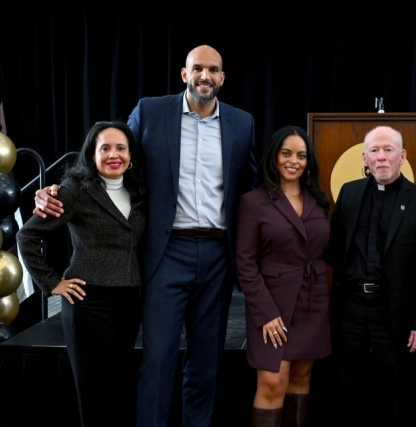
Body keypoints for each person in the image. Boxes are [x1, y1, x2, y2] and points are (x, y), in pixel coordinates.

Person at [33, 45, 258, 427]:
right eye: (197, 68)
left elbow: (251, 182)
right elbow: (109, 155)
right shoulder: (151, 111)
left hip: (219, 255)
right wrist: (55, 188)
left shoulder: (242, 122)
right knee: (157, 358)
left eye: (213, 70)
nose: (205, 76)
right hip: (167, 253)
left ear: (222, 77)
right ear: (184, 74)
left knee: (206, 361)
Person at [17, 121, 147, 427]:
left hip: (128, 303)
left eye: (121, 148)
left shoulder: (140, 192)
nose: (113, 155)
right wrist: (52, 283)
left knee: (119, 390)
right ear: (92, 155)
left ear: (131, 156)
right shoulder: (75, 190)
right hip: (88, 304)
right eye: (105, 148)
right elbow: (27, 237)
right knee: (93, 396)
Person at [327, 125, 416, 426]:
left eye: (388, 150)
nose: (381, 157)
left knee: (392, 387)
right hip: (349, 307)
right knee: (345, 385)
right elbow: (333, 249)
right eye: (374, 151)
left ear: (401, 156)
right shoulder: (348, 193)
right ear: (364, 158)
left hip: (393, 311)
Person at [235, 126, 331, 427]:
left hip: (313, 301)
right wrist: (265, 313)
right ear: (274, 157)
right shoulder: (254, 201)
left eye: (301, 155)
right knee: (273, 383)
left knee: (301, 377)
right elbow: (245, 263)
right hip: (272, 305)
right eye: (286, 153)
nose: (294, 161)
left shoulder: (320, 200)